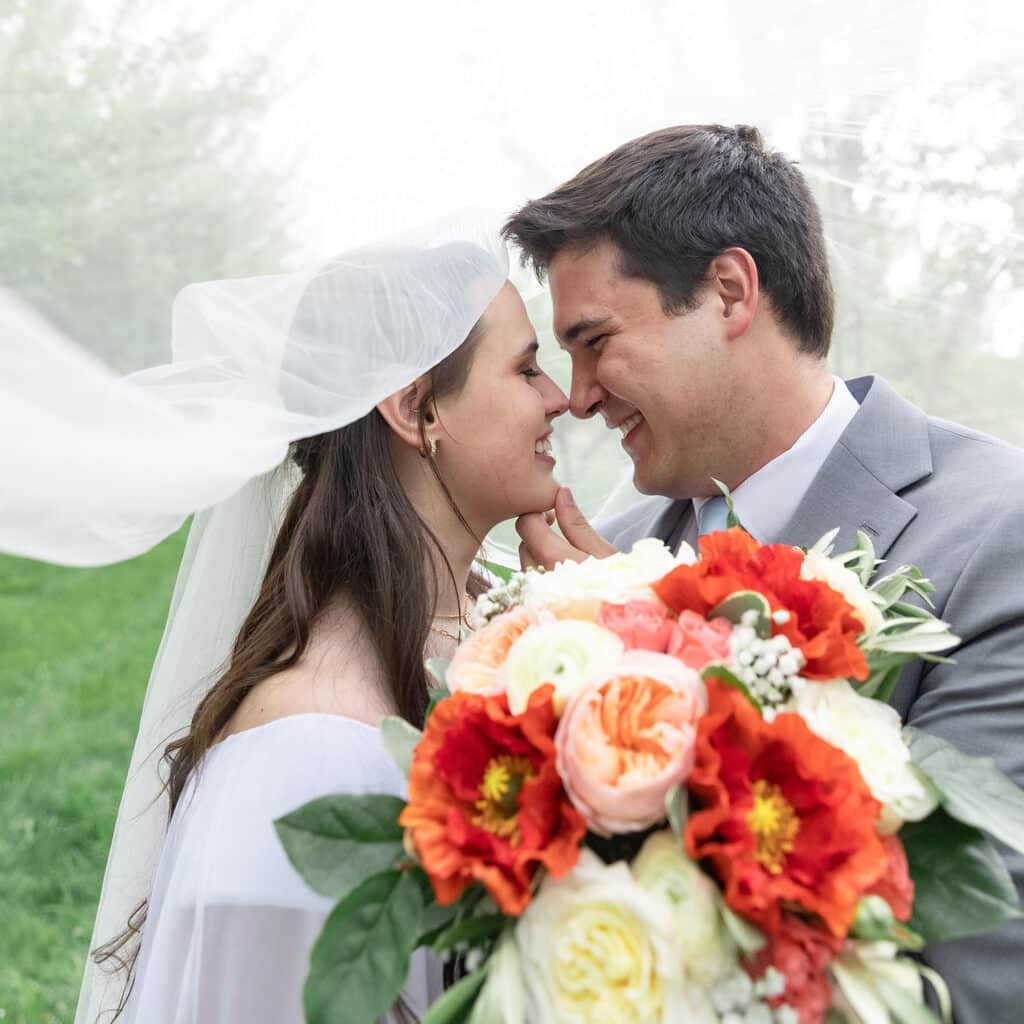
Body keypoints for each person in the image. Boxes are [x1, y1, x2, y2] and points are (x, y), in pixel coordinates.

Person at [504, 123, 1024, 1022]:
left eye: (595, 341)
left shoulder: (995, 533)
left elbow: (974, 966)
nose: (579, 396)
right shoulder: (609, 572)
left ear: (730, 291)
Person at [72, 229, 568, 1023]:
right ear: (416, 408)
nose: (562, 397)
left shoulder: (508, 639)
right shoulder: (306, 758)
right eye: (526, 368)